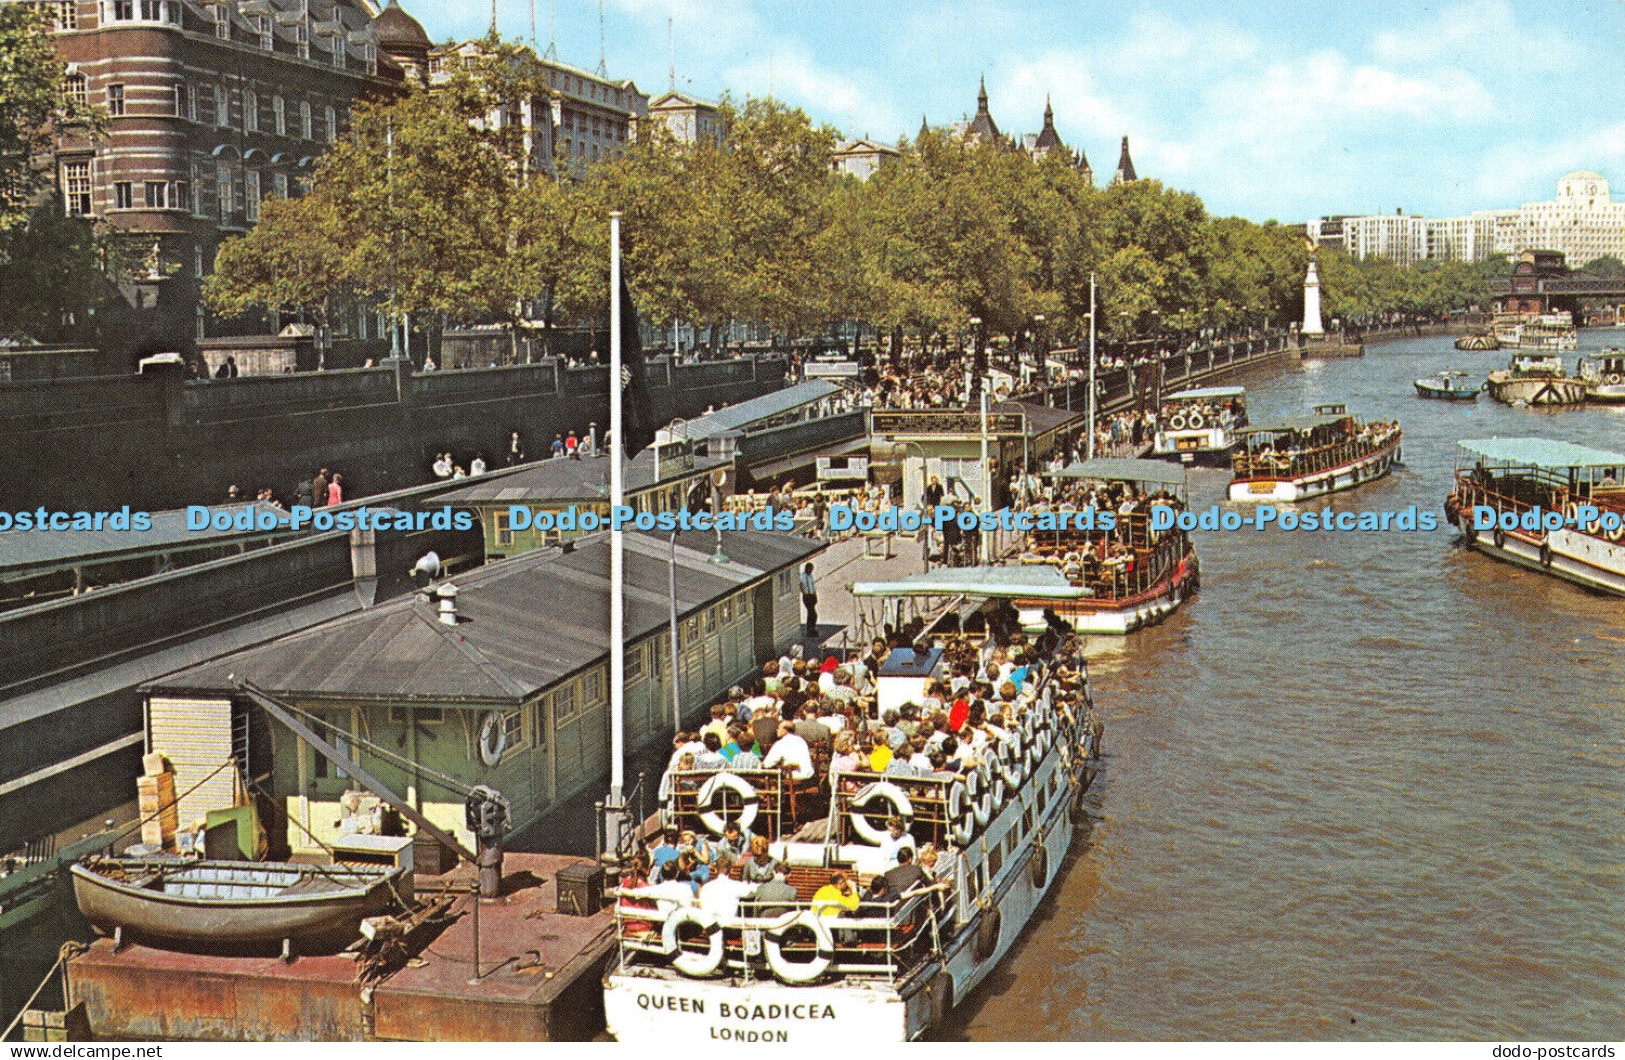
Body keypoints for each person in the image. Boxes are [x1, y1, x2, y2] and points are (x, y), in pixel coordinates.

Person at [798, 562, 818, 638]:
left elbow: (813, 586)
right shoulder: (802, 576)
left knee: (811, 614)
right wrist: (803, 592)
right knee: (812, 613)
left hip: (812, 595)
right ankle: (810, 629)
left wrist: (815, 595)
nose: (811, 571)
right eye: (810, 569)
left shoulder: (811, 576)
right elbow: (800, 585)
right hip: (806, 596)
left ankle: (811, 629)